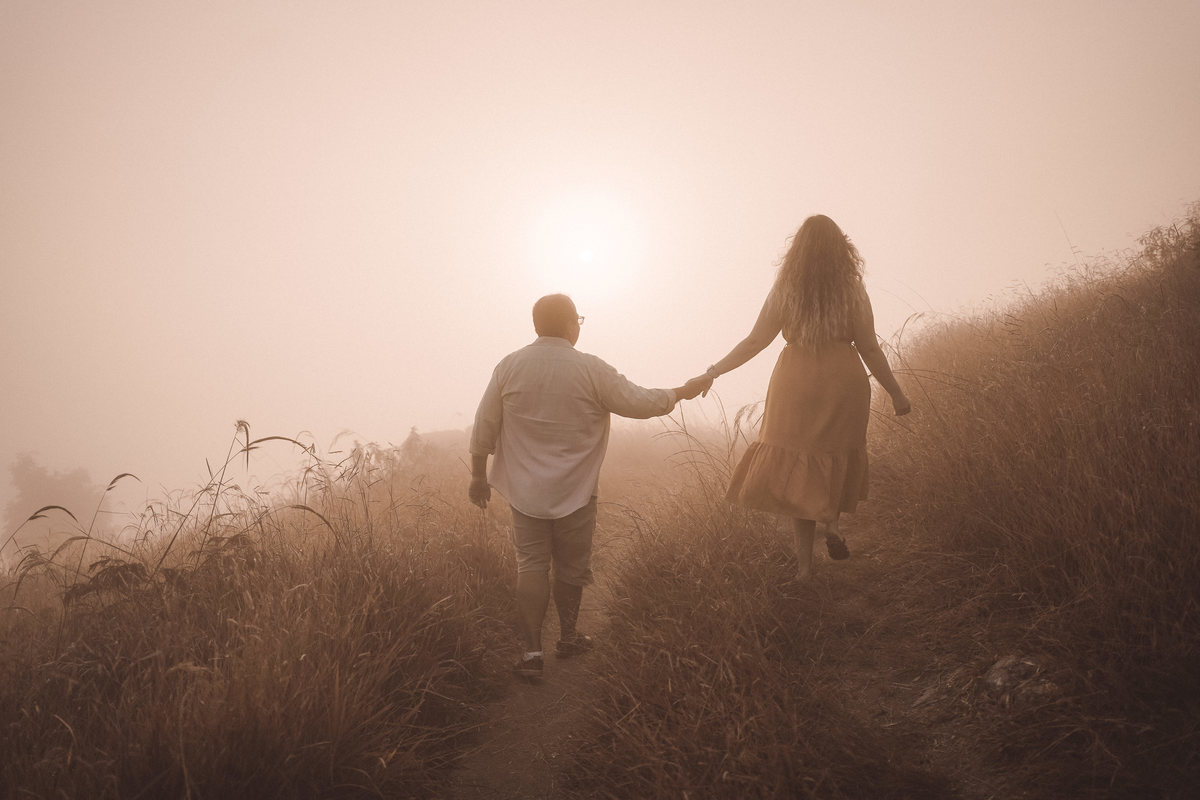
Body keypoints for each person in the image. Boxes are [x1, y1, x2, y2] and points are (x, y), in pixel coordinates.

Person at [469, 293, 709, 678]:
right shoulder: (590, 369)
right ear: (569, 325)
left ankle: (531, 654)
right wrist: (681, 391)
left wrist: (478, 475)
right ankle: (567, 637)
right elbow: (641, 402)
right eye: (578, 319)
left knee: (530, 564)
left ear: (536, 325)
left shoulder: (508, 367)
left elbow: (485, 425)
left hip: (525, 491)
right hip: (576, 491)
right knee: (571, 566)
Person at [692, 214, 911, 578]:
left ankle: (805, 570)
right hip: (844, 382)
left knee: (801, 468)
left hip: (795, 382)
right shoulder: (853, 290)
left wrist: (712, 372)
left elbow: (754, 342)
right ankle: (833, 526)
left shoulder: (785, 290)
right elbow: (870, 348)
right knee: (835, 454)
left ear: (798, 250)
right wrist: (897, 393)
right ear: (843, 249)